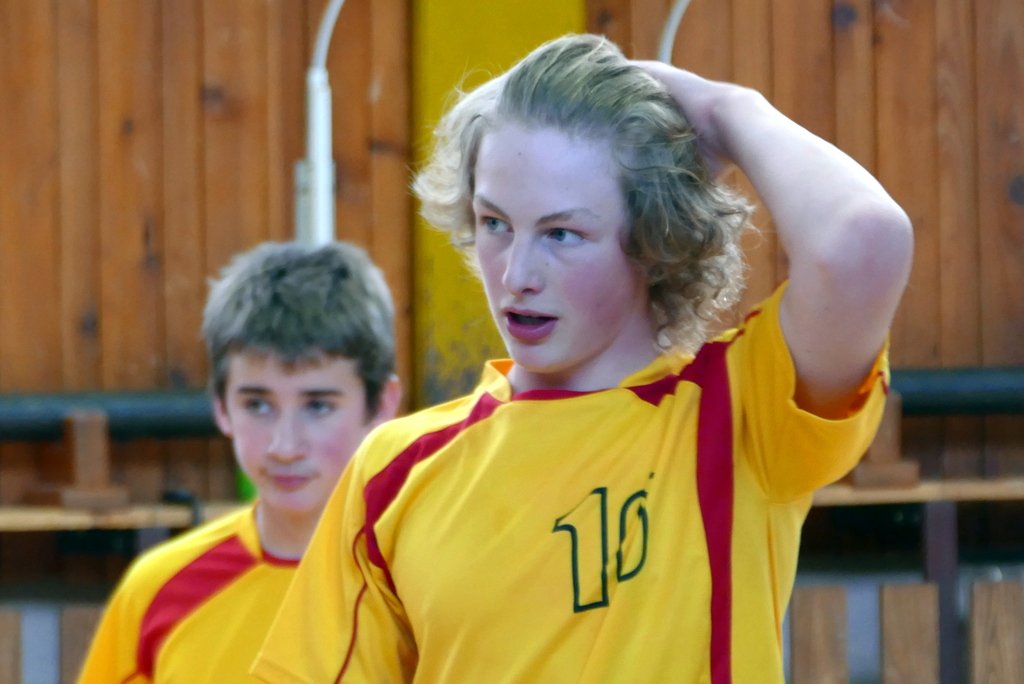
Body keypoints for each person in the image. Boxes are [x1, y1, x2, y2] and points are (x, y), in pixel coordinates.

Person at [252, 34, 912, 683]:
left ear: (653, 241)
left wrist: (722, 110)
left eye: (562, 234)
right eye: (495, 224)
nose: (516, 276)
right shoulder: (395, 471)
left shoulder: (737, 418)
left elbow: (863, 241)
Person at [76, 241, 401, 683]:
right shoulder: (157, 592)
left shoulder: (427, 590)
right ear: (221, 407)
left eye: (318, 405)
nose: (284, 446)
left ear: (382, 405)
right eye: (258, 405)